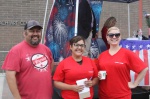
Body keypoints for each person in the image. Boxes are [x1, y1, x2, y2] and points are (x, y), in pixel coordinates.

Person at [1, 20, 54, 99]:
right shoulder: (16, 51)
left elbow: (51, 66)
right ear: (24, 33)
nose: (35, 34)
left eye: (38, 31)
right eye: (32, 31)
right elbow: (10, 76)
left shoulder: (46, 49)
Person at [97, 27, 148, 99]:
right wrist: (98, 75)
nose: (114, 37)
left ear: (120, 37)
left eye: (117, 35)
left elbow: (144, 69)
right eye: (111, 35)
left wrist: (135, 84)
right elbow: (97, 73)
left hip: (122, 95)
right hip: (104, 95)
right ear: (107, 37)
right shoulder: (102, 55)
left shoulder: (127, 53)